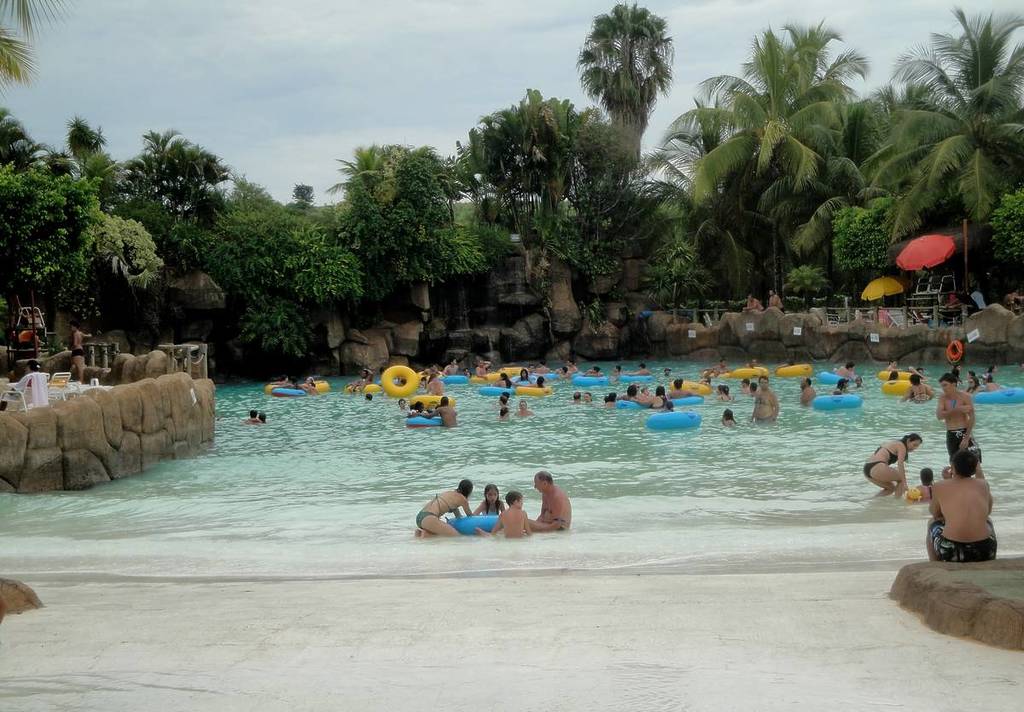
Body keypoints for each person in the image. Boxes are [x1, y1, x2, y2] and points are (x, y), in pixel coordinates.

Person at [927, 450, 996, 562]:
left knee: (931, 523)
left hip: (952, 550)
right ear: (974, 468)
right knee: (988, 520)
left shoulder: (939, 486)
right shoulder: (983, 484)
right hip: (985, 549)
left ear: (952, 467)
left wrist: (948, 481)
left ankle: (935, 565)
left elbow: (935, 513)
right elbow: (987, 512)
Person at [937, 372, 980, 463]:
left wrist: (966, 438)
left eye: (945, 385)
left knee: (975, 464)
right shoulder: (942, 398)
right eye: (942, 386)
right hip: (951, 434)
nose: (943, 388)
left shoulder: (965, 397)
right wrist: (957, 410)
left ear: (953, 384)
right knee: (954, 464)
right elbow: (939, 416)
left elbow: (972, 418)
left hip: (964, 432)